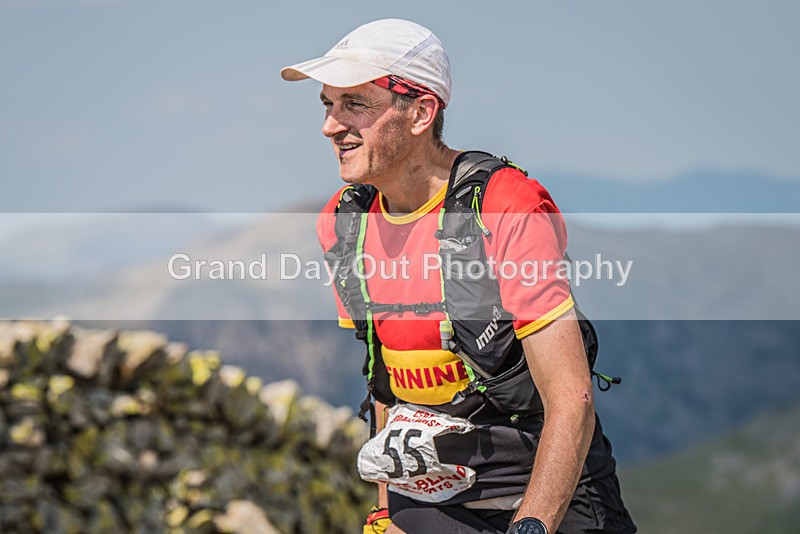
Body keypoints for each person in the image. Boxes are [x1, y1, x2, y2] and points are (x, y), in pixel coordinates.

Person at [281, 18, 636, 534]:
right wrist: (384, 512)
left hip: (546, 496)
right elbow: (386, 381)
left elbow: (571, 397)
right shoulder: (343, 222)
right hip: (426, 501)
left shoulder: (503, 205)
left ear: (421, 112)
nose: (331, 126)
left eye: (354, 103)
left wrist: (531, 526)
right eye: (327, 104)